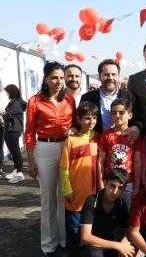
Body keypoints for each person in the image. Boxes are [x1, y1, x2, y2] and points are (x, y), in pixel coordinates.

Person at [25, 61, 77, 256]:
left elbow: (76, 124)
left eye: (62, 78)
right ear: (45, 79)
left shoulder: (69, 100)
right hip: (44, 148)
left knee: (65, 194)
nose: (59, 82)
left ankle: (64, 240)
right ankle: (48, 243)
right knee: (47, 198)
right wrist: (30, 161)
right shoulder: (35, 101)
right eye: (54, 78)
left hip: (65, 147)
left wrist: (72, 129)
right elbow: (29, 133)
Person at [59, 101, 101, 257]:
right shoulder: (71, 140)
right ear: (79, 119)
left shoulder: (99, 138)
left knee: (92, 232)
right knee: (74, 233)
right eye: (87, 118)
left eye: (94, 118)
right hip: (76, 195)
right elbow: (64, 167)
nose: (91, 122)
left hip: (94, 195)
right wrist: (67, 189)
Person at [77, 168, 136, 257]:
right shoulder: (92, 201)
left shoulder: (121, 204)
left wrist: (124, 241)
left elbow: (126, 229)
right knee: (95, 254)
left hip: (111, 245)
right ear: (105, 183)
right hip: (90, 246)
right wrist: (118, 246)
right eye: (112, 185)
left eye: (120, 188)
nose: (115, 191)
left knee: (131, 253)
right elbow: (85, 237)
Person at [80, 59, 142, 140]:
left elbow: (138, 117)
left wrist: (136, 126)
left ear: (118, 76)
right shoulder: (87, 98)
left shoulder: (128, 97)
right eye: (106, 74)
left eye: (113, 74)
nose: (110, 78)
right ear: (99, 77)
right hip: (95, 143)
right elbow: (79, 118)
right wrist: (74, 127)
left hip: (123, 143)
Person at [98, 98, 142, 212]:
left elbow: (137, 163)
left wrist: (136, 188)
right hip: (110, 182)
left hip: (128, 183)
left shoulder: (135, 136)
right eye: (114, 113)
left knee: (128, 213)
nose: (117, 115)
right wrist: (101, 184)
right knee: (108, 212)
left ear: (130, 115)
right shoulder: (106, 135)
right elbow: (100, 162)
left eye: (121, 112)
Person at [0, 84, 27, 183]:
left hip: (13, 130)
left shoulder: (16, 102)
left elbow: (8, 115)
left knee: (15, 151)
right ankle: (16, 170)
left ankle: (19, 173)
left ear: (11, 91)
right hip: (11, 129)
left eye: (7, 91)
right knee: (13, 151)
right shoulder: (15, 102)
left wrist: (3, 113)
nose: (6, 94)